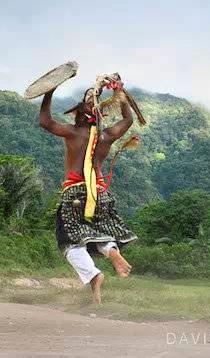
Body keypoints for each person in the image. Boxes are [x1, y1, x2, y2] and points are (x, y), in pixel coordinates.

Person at [39, 79, 139, 304]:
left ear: (79, 114)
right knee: (100, 231)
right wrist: (120, 93)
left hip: (75, 193)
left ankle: (93, 275)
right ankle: (112, 254)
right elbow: (128, 119)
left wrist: (49, 90)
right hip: (100, 194)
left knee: (70, 241)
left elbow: (45, 121)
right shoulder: (107, 136)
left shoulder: (73, 133)